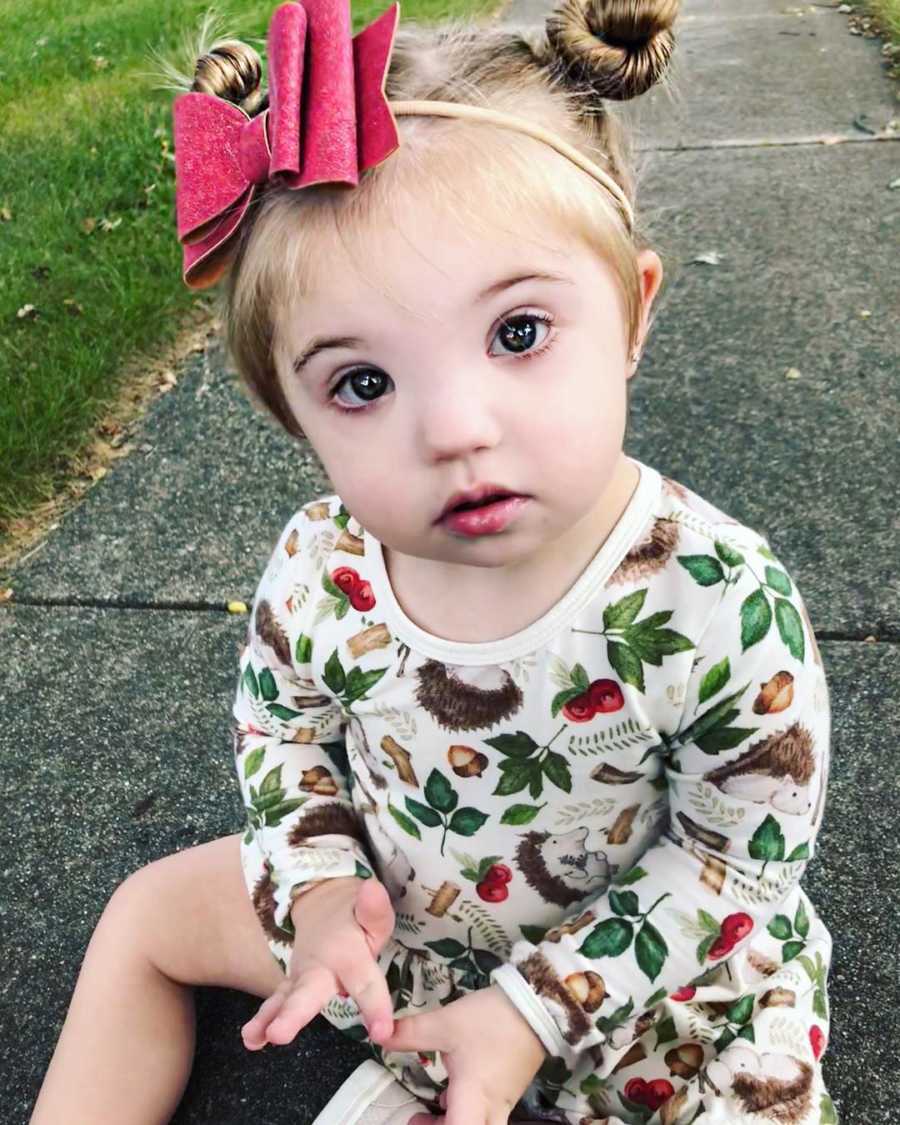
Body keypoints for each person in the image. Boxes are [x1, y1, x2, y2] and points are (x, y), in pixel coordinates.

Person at [31, 0, 837, 1122]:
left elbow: (734, 867)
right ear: (295, 417)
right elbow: (284, 731)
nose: (454, 428)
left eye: (517, 334)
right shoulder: (324, 566)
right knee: (145, 916)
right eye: (363, 384)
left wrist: (529, 1014)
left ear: (633, 311)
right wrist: (315, 889)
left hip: (658, 1001)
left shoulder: (713, 599)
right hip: (401, 947)